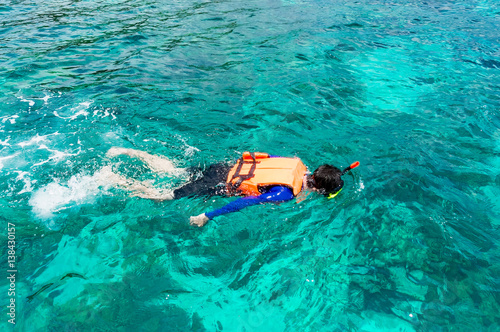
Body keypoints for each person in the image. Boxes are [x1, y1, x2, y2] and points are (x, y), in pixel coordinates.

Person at [103, 148, 359, 227]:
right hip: (218, 184)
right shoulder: (284, 193)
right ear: (319, 189)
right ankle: (114, 180)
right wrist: (206, 216)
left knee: (173, 170)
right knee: (163, 197)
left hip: (225, 167)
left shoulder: (298, 165)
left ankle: (125, 151)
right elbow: (243, 203)